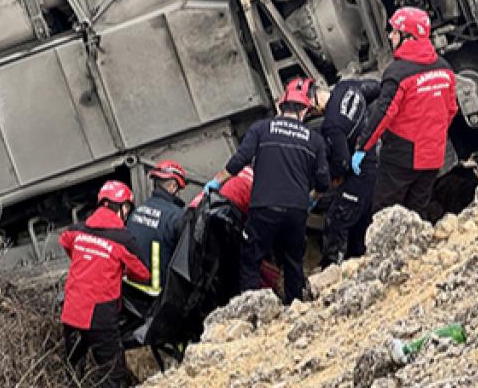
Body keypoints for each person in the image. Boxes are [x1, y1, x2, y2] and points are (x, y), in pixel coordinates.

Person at [205, 77, 329, 304]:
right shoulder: (315, 140)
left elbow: (239, 161)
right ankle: (295, 306)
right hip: (296, 211)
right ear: (304, 112)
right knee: (292, 261)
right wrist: (312, 198)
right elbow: (323, 182)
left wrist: (216, 181)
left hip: (264, 208)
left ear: (281, 107)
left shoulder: (261, 129)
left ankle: (254, 310)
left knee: (251, 257)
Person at [355, 6, 459, 219]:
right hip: (432, 155)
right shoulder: (445, 69)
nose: (391, 36)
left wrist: (362, 148)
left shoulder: (398, 73)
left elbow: (383, 115)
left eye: (395, 32)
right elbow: (451, 110)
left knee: (385, 214)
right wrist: (431, 135)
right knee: (417, 211)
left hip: (402, 156)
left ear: (408, 36)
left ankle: (386, 252)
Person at [59, 180, 150, 388]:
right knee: (113, 374)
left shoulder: (78, 230)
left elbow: (65, 241)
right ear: (123, 207)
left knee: (74, 372)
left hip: (71, 311)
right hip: (99, 315)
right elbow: (143, 273)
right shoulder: (122, 239)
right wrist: (121, 270)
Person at [315, 78, 382, 267]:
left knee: (338, 217)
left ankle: (332, 268)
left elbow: (343, 162)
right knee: (362, 215)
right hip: (374, 156)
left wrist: (331, 181)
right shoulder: (347, 87)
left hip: (362, 169)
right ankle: (361, 256)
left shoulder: (331, 125)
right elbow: (376, 88)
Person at [125, 160, 188, 297]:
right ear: (172, 186)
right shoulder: (176, 217)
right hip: (157, 295)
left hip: (130, 289)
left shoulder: (138, 211)